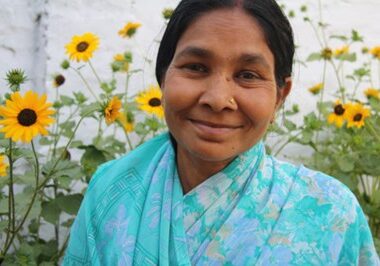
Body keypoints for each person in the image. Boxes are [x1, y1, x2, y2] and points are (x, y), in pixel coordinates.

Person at [63, 0, 380, 265]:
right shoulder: (111, 190)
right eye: (197, 67)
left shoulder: (330, 214)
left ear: (280, 96)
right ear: (163, 77)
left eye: (247, 75)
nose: (217, 99)